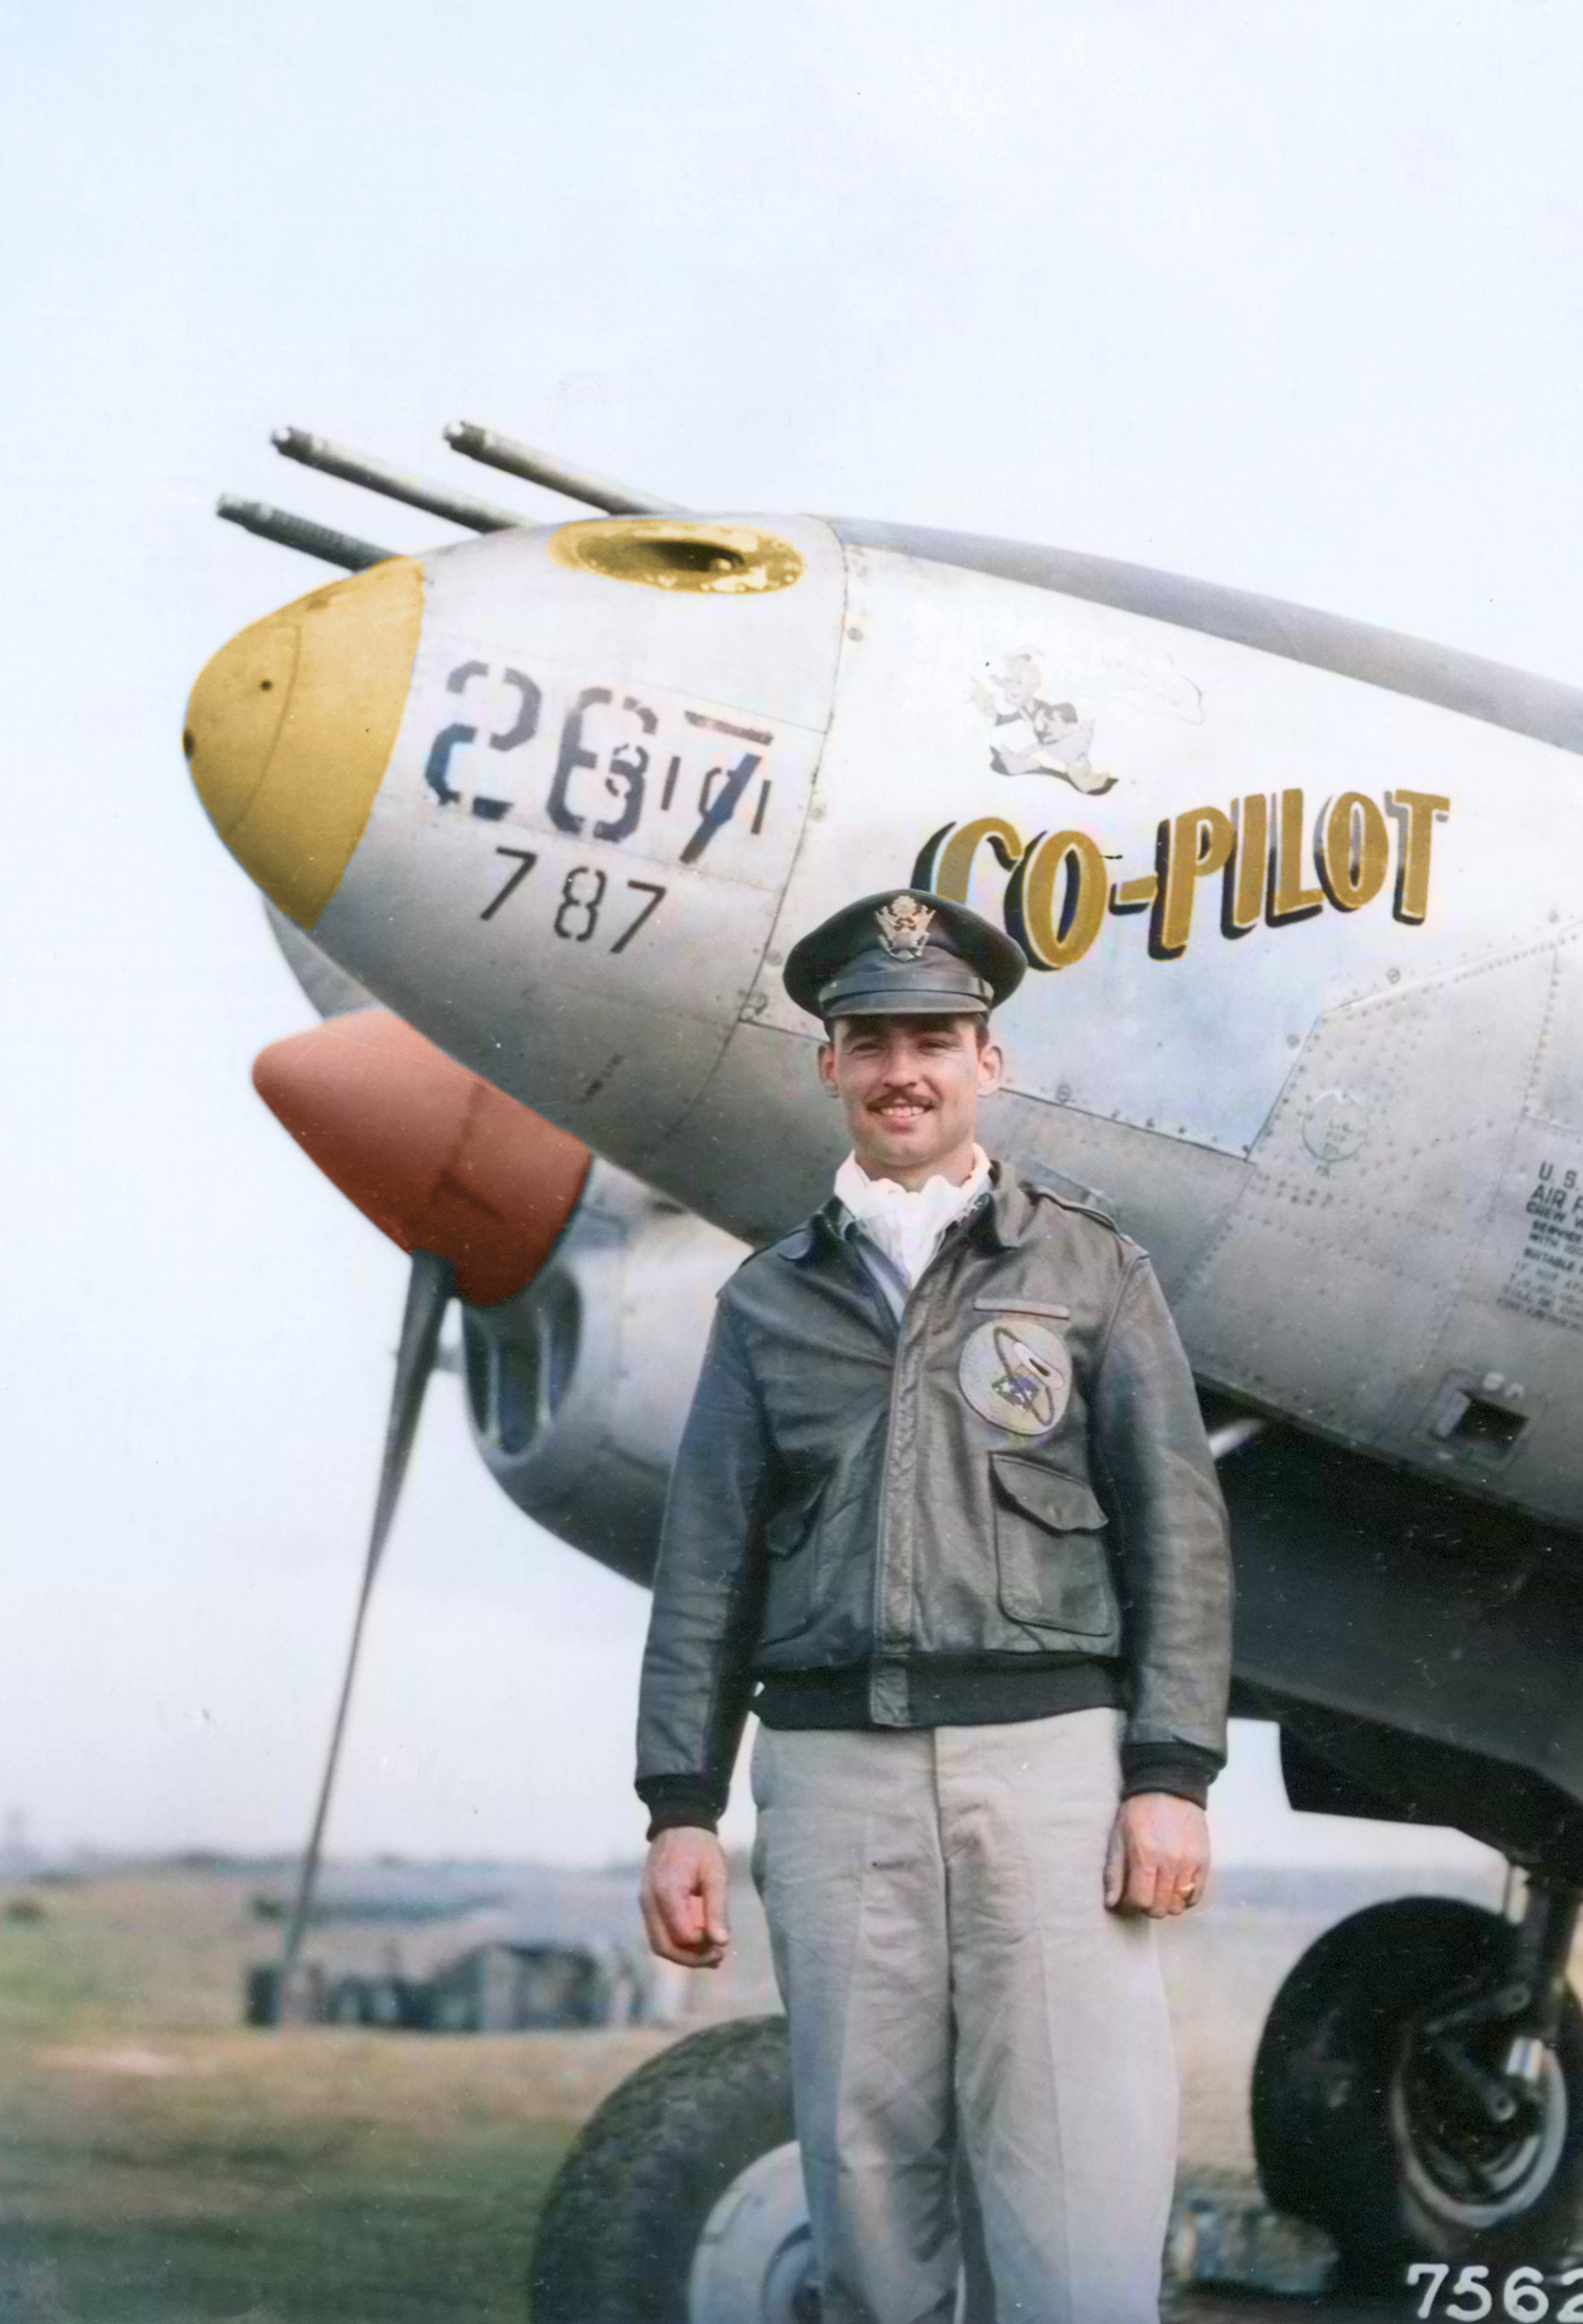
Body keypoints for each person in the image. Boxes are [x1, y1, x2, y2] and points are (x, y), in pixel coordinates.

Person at [635, 884, 1235, 2323]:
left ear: (988, 1060)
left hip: (1049, 1780)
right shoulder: (767, 1302)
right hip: (833, 1788)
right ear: (828, 1064)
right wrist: (679, 1807)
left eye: (934, 1039)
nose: (902, 1070)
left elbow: (1180, 1533)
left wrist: (1170, 1775)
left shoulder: (1092, 1269)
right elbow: (708, 1566)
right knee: (866, 2206)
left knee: (1078, 2207)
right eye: (872, 1041)